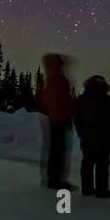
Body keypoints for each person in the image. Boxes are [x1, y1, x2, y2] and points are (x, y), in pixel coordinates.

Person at [74, 74, 110, 199]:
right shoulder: (108, 101)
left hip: (88, 137)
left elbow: (77, 119)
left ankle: (87, 189)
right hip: (105, 139)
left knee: (87, 163)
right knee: (102, 164)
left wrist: (81, 133)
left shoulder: (82, 100)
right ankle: (102, 190)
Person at [39, 53, 76, 190]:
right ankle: (56, 179)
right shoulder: (58, 80)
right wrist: (67, 116)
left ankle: (53, 178)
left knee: (56, 149)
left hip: (54, 117)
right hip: (59, 118)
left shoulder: (50, 79)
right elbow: (63, 101)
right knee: (58, 150)